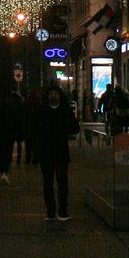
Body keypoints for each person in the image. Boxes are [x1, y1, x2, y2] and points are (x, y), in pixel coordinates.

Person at [35, 83, 80, 223]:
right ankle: (50, 211)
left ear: (60, 96)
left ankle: (62, 210)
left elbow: (75, 128)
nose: (53, 96)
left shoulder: (65, 111)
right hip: (46, 151)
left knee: (62, 182)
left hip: (61, 151)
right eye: (51, 94)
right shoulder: (41, 111)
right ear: (47, 96)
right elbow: (34, 128)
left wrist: (63, 131)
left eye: (56, 94)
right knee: (47, 183)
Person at [0, 89, 24, 184]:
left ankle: (3, 171)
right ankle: (5, 171)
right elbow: (18, 121)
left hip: (0, 132)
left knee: (2, 153)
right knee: (7, 151)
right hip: (10, 132)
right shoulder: (14, 106)